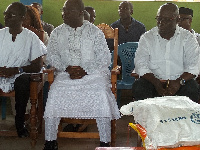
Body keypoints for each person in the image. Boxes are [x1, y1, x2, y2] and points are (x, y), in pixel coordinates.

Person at [43, 0, 120, 149]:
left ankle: (105, 142)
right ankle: (50, 141)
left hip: (93, 75)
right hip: (66, 74)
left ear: (80, 13)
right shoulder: (57, 32)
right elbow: (51, 56)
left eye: (67, 11)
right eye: (63, 10)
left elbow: (104, 58)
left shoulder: (94, 32)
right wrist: (67, 68)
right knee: (55, 92)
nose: (63, 14)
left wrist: (85, 69)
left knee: (100, 93)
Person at [132, 3, 200, 103]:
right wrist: (156, 83)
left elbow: (194, 66)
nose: (161, 23)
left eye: (167, 19)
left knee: (192, 88)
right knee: (139, 87)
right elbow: (140, 64)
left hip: (180, 83)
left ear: (177, 20)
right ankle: (150, 118)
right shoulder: (147, 38)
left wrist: (179, 82)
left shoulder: (188, 38)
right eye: (159, 18)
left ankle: (181, 118)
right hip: (153, 82)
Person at [0, 2, 46, 137]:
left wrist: (16, 70)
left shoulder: (31, 37)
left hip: (20, 74)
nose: (6, 17)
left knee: (23, 81)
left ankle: (20, 123)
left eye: (10, 15)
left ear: (22, 17)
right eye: (5, 14)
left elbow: (37, 65)